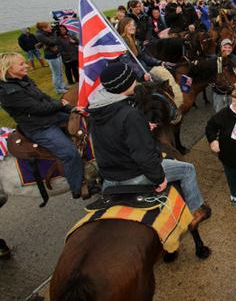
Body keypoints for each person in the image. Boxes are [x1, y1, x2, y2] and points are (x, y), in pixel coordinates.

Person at [88, 62, 211, 228]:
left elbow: (112, 133)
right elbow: (143, 155)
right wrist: (159, 178)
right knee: (188, 169)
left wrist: (140, 127)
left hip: (109, 178)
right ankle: (196, 210)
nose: (136, 82)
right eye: (132, 79)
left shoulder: (96, 111)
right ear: (125, 84)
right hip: (132, 175)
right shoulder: (130, 115)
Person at [0, 52, 85, 198]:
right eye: (21, 64)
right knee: (69, 153)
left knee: (85, 124)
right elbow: (38, 108)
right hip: (39, 127)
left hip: (51, 117)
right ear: (9, 69)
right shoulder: (8, 93)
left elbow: (45, 98)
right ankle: (79, 187)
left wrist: (71, 109)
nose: (26, 65)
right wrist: (61, 104)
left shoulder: (23, 80)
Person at [35, 22, 67, 94]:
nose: (51, 28)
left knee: (60, 71)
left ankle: (62, 85)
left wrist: (54, 31)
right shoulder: (40, 35)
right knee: (56, 73)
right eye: (49, 27)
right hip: (51, 56)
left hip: (57, 54)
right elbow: (52, 42)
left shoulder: (47, 33)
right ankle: (58, 89)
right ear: (44, 28)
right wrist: (54, 33)